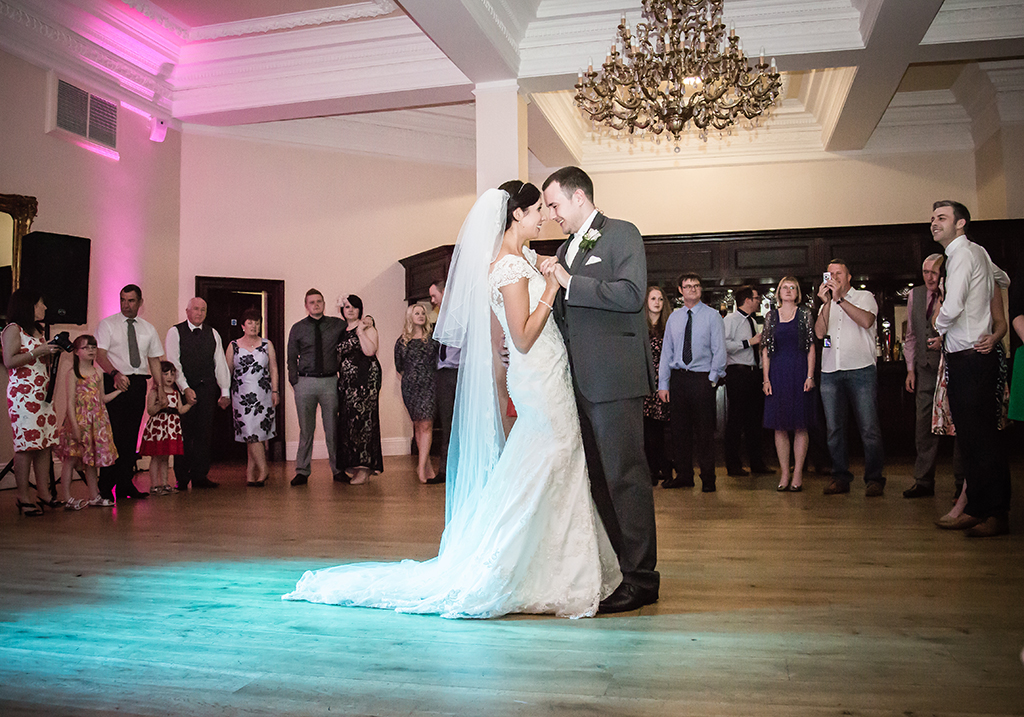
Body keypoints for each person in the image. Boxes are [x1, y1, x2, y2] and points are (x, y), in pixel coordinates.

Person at [284, 181, 619, 618]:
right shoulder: (507, 269)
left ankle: (558, 565)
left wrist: (548, 267)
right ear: (516, 215)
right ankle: (521, 565)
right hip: (537, 372)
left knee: (550, 460)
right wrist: (553, 289)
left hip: (549, 370)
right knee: (551, 456)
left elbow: (534, 279)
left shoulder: (520, 260)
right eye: (537, 209)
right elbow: (520, 337)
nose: (543, 216)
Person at [540, 166, 658, 614]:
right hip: (580, 384)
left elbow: (630, 294)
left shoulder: (622, 234)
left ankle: (643, 579)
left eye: (554, 205)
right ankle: (622, 571)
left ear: (579, 198)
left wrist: (569, 281)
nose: (552, 215)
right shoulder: (567, 247)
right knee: (600, 482)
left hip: (615, 379)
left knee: (627, 478)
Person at [929, 200, 1011, 537]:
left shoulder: (963, 254)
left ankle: (996, 515)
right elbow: (1001, 277)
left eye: (942, 218)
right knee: (974, 441)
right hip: (967, 357)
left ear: (961, 223)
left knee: (982, 441)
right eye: (933, 218)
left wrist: (938, 323)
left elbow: (954, 303)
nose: (934, 223)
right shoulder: (975, 252)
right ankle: (978, 509)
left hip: (972, 359)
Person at [815, 260, 886, 496]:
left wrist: (840, 301)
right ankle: (840, 477)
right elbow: (819, 332)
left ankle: (874, 478)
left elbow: (866, 321)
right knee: (834, 429)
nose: (833, 277)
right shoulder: (827, 303)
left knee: (869, 428)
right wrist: (826, 304)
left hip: (861, 370)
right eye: (830, 274)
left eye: (838, 274)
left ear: (848, 278)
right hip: (830, 371)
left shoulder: (864, 297)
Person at [902, 255, 964, 499]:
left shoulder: (954, 292)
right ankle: (924, 481)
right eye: (925, 271)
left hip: (952, 368)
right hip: (925, 369)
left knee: (958, 424)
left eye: (934, 272)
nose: (929, 276)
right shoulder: (915, 295)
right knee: (923, 426)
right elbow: (911, 336)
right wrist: (910, 369)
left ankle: (962, 483)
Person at [658, 273, 727, 493]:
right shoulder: (674, 318)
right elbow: (666, 352)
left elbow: (719, 351)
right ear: (680, 290)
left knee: (705, 433)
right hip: (678, 378)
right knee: (679, 432)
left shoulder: (712, 316)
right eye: (687, 286)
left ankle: (708, 478)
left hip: (701, 378)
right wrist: (663, 384)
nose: (692, 289)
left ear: (701, 289)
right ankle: (684, 475)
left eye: (696, 286)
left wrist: (712, 379)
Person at [96, 284, 164, 502]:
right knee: (113, 435)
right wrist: (114, 374)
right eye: (123, 300)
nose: (126, 305)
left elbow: (154, 359)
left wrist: (159, 387)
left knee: (130, 436)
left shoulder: (148, 329)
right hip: (115, 381)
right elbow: (100, 354)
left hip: (137, 383)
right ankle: (105, 486)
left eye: (131, 301)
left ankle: (125, 484)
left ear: (140, 302)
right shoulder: (108, 325)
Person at [3, 289, 62, 516]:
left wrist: (49, 353)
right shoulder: (13, 330)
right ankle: (23, 496)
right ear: (28, 306)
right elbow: (9, 360)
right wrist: (38, 352)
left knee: (44, 444)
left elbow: (38, 360)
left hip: (42, 395)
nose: (44, 308)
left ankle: (44, 493)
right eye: (41, 304)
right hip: (23, 396)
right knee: (26, 446)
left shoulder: (37, 331)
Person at [165, 297, 231, 490]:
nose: (199, 313)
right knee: (184, 434)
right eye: (196, 309)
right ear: (187, 311)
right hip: (184, 391)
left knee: (204, 434)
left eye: (203, 310)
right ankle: (182, 478)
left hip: (207, 390)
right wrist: (185, 388)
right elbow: (173, 363)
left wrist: (224, 391)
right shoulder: (175, 332)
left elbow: (220, 364)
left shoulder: (213, 333)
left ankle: (200, 476)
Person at [761, 277, 816, 492]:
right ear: (778, 292)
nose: (788, 290)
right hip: (777, 373)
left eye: (793, 287)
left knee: (800, 424)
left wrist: (810, 376)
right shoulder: (770, 317)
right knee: (779, 425)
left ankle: (799, 472)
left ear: (798, 293)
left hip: (800, 371)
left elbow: (811, 346)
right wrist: (766, 379)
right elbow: (765, 349)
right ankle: (784, 472)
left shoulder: (805, 315)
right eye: (785, 287)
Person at [287, 289, 346, 486]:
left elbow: (355, 323)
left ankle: (338, 470)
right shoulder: (298, 328)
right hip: (305, 382)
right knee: (306, 430)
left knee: (332, 429)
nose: (316, 305)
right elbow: (291, 357)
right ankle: (302, 471)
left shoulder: (337, 325)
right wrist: (295, 381)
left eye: (319, 301)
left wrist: (369, 320)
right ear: (306, 306)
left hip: (330, 381)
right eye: (312, 302)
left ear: (324, 303)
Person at [55, 334, 121, 509]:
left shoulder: (98, 372)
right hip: (78, 420)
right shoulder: (73, 373)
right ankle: (67, 497)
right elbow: (69, 402)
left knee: (91, 461)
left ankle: (94, 495)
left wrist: (119, 391)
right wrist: (74, 426)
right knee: (71, 459)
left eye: (93, 347)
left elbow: (102, 399)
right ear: (77, 352)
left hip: (96, 421)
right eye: (86, 348)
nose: (91, 350)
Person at [225, 309, 278, 487]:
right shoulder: (233, 345)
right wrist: (224, 393)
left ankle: (250, 472)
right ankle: (263, 469)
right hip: (242, 396)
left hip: (263, 394)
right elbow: (227, 372)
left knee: (257, 433)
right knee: (249, 432)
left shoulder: (266, 344)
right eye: (250, 322)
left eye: (256, 322)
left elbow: (274, 369)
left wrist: (276, 391)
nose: (254, 326)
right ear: (242, 325)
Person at [723, 285, 772, 477]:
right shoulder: (731, 320)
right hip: (738, 373)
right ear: (747, 300)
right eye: (756, 298)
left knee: (754, 420)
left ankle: (757, 463)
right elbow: (723, 344)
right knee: (735, 420)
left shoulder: (753, 321)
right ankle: (733, 465)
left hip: (754, 374)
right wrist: (749, 343)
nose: (759, 301)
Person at [335, 294, 383, 485]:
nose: (351, 310)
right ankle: (355, 465)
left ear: (360, 309)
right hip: (347, 385)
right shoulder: (341, 331)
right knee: (349, 422)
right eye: (347, 307)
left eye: (354, 307)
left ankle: (365, 468)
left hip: (366, 382)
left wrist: (361, 331)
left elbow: (370, 351)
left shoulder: (367, 327)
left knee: (364, 422)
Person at [394, 303, 439, 483]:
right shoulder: (402, 341)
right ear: (410, 317)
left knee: (427, 424)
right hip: (410, 387)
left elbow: (438, 362)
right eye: (416, 313)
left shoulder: (432, 340)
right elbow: (399, 366)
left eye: (422, 313)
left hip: (430, 385)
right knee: (418, 425)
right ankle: (426, 463)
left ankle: (420, 467)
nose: (420, 315)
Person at [139, 361, 190, 495]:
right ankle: (155, 485)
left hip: (171, 429)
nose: (169, 377)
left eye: (172, 374)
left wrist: (190, 404)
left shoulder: (175, 393)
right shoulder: (154, 392)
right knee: (156, 457)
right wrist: (160, 406)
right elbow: (150, 410)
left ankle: (165, 483)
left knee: (166, 457)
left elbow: (180, 409)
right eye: (165, 374)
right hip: (159, 428)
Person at [643, 285, 672, 485]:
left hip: (662, 382)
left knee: (660, 430)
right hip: (643, 381)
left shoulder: (668, 326)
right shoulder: (639, 326)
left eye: (660, 299)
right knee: (646, 429)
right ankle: (651, 470)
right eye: (653, 298)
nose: (657, 302)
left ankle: (662, 466)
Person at [430, 280, 458, 485]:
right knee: (446, 423)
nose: (432, 301)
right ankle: (444, 470)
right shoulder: (440, 316)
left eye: (434, 296)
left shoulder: (462, 313)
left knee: (461, 422)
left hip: (459, 372)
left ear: (445, 292)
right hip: (442, 374)